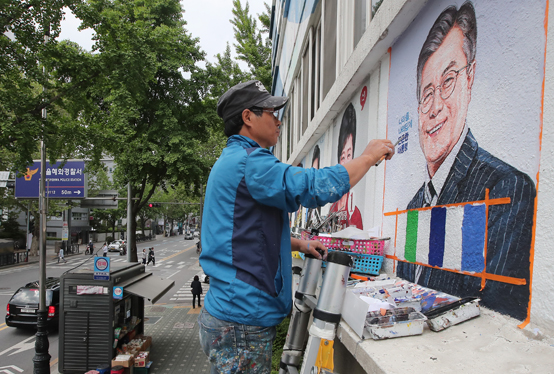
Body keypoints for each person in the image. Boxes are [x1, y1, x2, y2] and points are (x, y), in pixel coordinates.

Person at [198, 79, 394, 372]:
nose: (279, 120)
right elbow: (314, 187)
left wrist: (300, 244)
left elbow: (244, 235)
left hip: (229, 316)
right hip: (241, 323)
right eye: (270, 112)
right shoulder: (250, 163)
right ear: (248, 117)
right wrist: (367, 157)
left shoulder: (233, 160)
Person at [398, 2, 536, 320]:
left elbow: (497, 317)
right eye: (426, 92)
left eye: (447, 82)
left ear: (469, 78)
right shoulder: (413, 206)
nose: (434, 107)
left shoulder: (504, 189)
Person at [329, 103, 363, 230]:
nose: (346, 162)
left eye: (349, 155)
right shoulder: (333, 207)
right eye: (343, 157)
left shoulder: (355, 212)